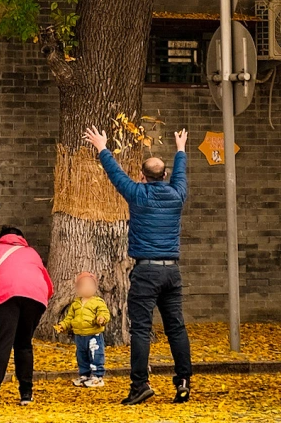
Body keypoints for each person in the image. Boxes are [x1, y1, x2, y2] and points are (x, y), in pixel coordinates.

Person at [84, 124, 192, 407]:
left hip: (146, 270)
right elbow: (181, 175)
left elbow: (115, 174)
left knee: (141, 329)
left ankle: (140, 385)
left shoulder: (137, 194)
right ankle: (183, 381)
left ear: (142, 177)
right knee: (176, 328)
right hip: (172, 270)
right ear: (165, 176)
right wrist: (180, 149)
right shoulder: (177, 194)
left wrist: (102, 147)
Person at [0, 225, 53, 408]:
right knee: (24, 344)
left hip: (5, 296)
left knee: (2, 344)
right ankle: (26, 394)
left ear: (1, 237)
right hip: (35, 297)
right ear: (21, 238)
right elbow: (47, 282)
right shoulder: (31, 253)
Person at [56, 270, 111, 387]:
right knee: (82, 356)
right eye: (83, 286)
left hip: (93, 335)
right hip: (79, 336)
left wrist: (101, 319)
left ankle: (97, 376)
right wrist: (63, 325)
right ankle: (84, 375)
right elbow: (69, 318)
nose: (87, 288)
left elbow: (104, 313)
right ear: (78, 289)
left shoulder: (98, 302)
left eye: (90, 285)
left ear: (95, 287)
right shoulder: (75, 304)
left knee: (96, 354)